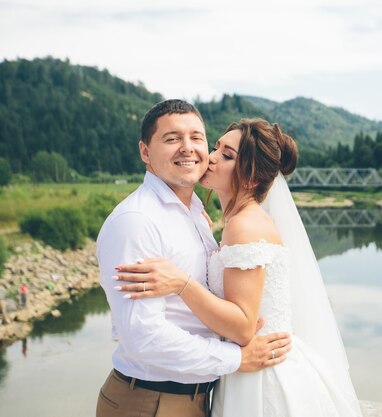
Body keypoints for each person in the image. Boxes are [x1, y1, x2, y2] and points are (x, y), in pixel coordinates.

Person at [115, 119, 362, 417]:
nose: (212, 156)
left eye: (228, 155)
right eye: (217, 146)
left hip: (260, 377)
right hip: (245, 368)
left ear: (250, 179)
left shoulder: (244, 226)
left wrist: (181, 283)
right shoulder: (233, 222)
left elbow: (244, 327)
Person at [96, 101, 291, 417]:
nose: (189, 149)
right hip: (150, 401)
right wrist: (235, 358)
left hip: (203, 397)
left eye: (197, 138)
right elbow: (142, 338)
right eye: (172, 138)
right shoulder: (137, 221)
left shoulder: (197, 214)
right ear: (145, 152)